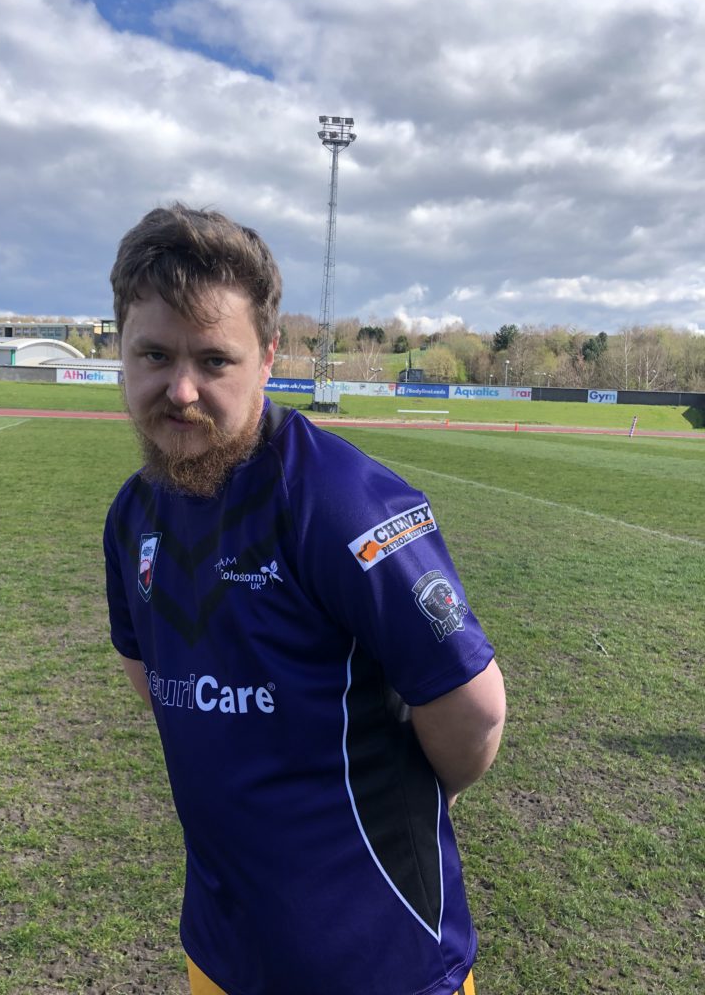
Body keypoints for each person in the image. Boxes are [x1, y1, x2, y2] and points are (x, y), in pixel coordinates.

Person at [103, 202, 506, 995]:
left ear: (266, 358)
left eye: (214, 360)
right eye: (154, 354)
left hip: (379, 962)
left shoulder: (341, 501)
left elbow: (475, 711)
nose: (180, 389)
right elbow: (154, 680)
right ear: (120, 348)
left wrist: (401, 804)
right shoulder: (132, 514)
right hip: (222, 950)